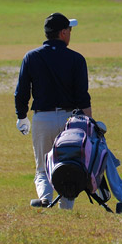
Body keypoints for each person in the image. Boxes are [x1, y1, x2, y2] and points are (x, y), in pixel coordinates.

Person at [14, 12, 101, 210]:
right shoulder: (77, 59)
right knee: (69, 167)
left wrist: (21, 116)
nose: (71, 33)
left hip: (42, 119)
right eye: (69, 30)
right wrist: (89, 124)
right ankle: (65, 211)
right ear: (62, 33)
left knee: (43, 168)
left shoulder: (31, 57)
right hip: (70, 121)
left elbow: (21, 92)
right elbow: (82, 96)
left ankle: (45, 199)